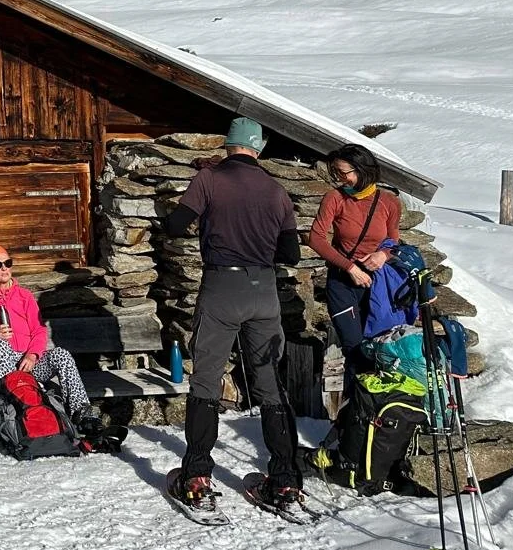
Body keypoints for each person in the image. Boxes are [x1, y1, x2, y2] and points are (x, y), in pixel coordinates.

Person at [162, 117, 303, 517]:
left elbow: (176, 226)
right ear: (258, 149)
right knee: (270, 387)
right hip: (264, 292)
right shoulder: (277, 191)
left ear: (229, 146)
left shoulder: (208, 180)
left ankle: (197, 476)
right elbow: (291, 254)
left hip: (222, 286)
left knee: (206, 380)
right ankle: (285, 480)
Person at [0, 243, 99, 433]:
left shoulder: (24, 296)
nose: (4, 268)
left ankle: (82, 413)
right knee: (1, 347)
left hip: (27, 363)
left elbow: (39, 330)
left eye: (7, 263)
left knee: (61, 355)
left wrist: (33, 355)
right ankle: (18, 413)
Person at [308, 145, 401, 362]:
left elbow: (393, 242)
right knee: (354, 349)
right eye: (336, 173)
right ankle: (354, 395)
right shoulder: (334, 198)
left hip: (377, 283)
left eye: (344, 173)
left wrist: (383, 256)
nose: (340, 178)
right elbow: (316, 238)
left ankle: (377, 396)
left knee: (381, 345)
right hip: (342, 282)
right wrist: (349, 267)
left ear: (362, 169)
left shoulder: (389, 202)